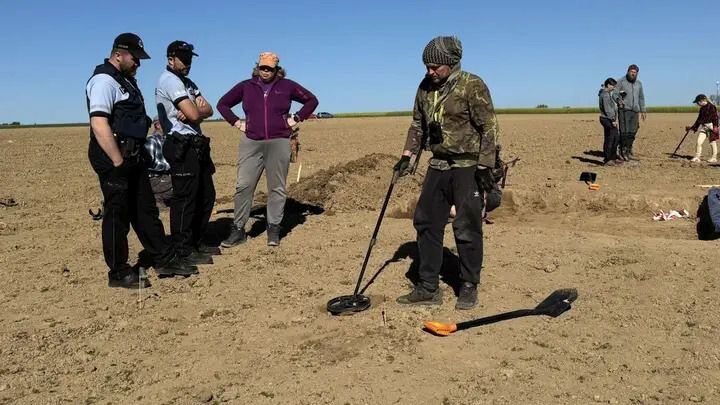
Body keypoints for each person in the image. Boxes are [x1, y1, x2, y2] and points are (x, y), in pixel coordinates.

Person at [394, 36, 499, 310]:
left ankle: (468, 285)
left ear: (452, 63)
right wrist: (407, 157)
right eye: (427, 66)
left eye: (435, 67)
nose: (430, 71)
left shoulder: (471, 85)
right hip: (438, 164)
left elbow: (489, 127)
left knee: (466, 225)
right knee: (426, 221)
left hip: (467, 167)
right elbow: (417, 124)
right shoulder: (425, 87)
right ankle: (428, 286)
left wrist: (487, 166)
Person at [86, 33, 198, 288]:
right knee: (118, 215)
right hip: (115, 157)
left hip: (133, 156)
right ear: (119, 54)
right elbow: (99, 123)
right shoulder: (104, 81)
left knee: (146, 209)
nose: (139, 63)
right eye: (135, 58)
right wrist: (117, 161)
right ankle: (118, 271)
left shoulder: (124, 81)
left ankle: (163, 258)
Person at [216, 52, 318, 247]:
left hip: (279, 141)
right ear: (258, 67)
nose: (265, 71)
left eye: (270, 68)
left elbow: (312, 100)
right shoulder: (246, 86)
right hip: (251, 142)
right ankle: (238, 230)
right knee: (244, 186)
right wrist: (237, 123)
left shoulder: (287, 86)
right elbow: (223, 104)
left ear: (276, 69)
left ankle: (273, 228)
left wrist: (295, 119)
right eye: (263, 67)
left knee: (276, 188)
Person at [156, 40, 219, 263]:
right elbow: (193, 114)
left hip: (197, 143)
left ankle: (197, 241)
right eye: (183, 59)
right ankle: (183, 247)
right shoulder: (170, 81)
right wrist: (196, 111)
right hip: (180, 143)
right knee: (185, 198)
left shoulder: (188, 83)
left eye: (190, 59)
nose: (188, 63)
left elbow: (208, 109)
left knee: (206, 194)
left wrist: (196, 111)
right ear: (170, 59)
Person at [615, 64, 646, 160]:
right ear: (628, 71)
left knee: (633, 131)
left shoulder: (639, 84)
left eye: (635, 73)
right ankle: (622, 150)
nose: (633, 74)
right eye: (631, 72)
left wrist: (643, 110)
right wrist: (619, 101)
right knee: (624, 131)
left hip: (635, 111)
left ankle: (629, 149)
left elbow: (641, 97)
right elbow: (615, 94)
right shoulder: (621, 82)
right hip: (624, 110)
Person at [145, 116, 173, 207]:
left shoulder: (166, 140)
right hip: (156, 179)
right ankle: (157, 197)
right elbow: (146, 165)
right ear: (157, 125)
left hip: (165, 177)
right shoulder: (151, 141)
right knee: (182, 184)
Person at [686, 94, 719, 163]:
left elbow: (715, 117)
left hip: (711, 127)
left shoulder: (712, 107)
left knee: (712, 142)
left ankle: (714, 158)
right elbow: (698, 120)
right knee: (699, 142)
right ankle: (697, 157)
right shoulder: (702, 109)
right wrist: (692, 128)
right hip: (704, 128)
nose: (697, 104)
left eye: (697, 102)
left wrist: (715, 127)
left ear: (702, 101)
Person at [598, 78, 622, 165]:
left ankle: (613, 157)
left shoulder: (607, 94)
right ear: (608, 85)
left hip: (608, 119)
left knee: (615, 137)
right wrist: (613, 120)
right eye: (613, 86)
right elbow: (607, 109)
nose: (614, 88)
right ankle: (608, 159)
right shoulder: (605, 95)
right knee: (610, 139)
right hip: (607, 119)